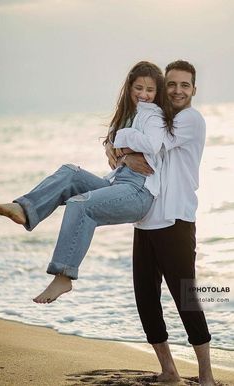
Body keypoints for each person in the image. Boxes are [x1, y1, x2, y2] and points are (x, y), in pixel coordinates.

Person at [0, 61, 174, 304]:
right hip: (117, 183)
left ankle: (64, 275)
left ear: (158, 93)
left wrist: (122, 147)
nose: (143, 95)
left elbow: (151, 147)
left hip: (139, 191)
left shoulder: (154, 117)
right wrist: (120, 152)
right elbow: (113, 157)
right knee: (70, 172)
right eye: (138, 88)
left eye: (150, 90)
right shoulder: (126, 116)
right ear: (129, 88)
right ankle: (26, 209)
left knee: (81, 205)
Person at [106, 60, 215, 386]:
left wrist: (119, 148)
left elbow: (149, 144)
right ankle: (169, 370)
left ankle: (206, 376)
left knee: (187, 298)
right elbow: (123, 141)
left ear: (194, 90)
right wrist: (115, 148)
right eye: (172, 84)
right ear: (164, 87)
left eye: (185, 85)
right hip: (146, 219)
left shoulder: (189, 119)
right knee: (146, 299)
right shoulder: (157, 117)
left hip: (176, 220)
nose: (178, 90)